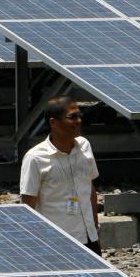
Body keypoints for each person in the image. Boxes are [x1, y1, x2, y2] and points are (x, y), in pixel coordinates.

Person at [20, 96, 101, 254]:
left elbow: (90, 190)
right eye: (72, 117)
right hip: (57, 244)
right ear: (53, 122)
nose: (78, 121)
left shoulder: (85, 146)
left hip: (89, 238)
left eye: (79, 116)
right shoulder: (35, 158)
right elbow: (28, 207)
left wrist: (95, 231)